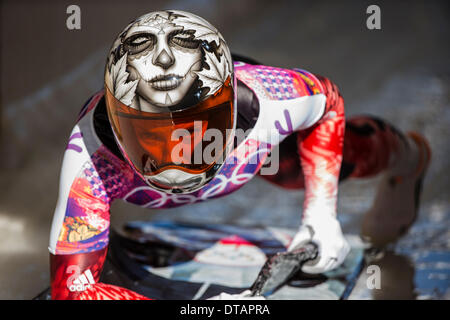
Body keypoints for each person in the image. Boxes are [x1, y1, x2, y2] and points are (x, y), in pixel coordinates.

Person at [48, 10, 431, 300]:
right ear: (114, 120)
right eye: (148, 133)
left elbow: (327, 101)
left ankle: (409, 157)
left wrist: (320, 214)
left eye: (195, 129)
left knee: (297, 169)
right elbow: (73, 291)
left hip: (255, 155)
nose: (176, 155)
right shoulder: (89, 156)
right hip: (234, 152)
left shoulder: (271, 97)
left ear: (230, 106)